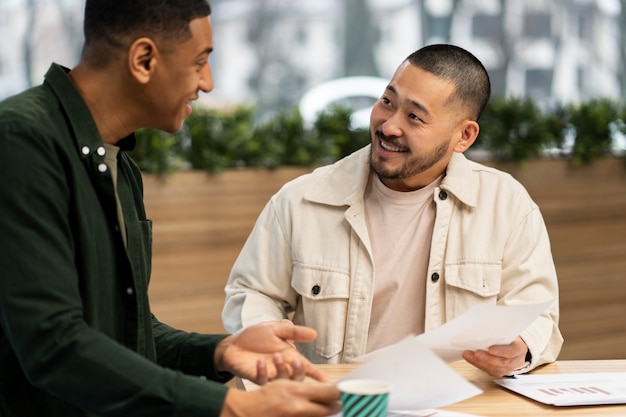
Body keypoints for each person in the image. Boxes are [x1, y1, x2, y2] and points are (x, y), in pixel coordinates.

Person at [0, 1, 341, 416]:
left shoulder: (120, 165)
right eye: (200, 62)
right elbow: (53, 345)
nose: (208, 83)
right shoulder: (20, 141)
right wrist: (234, 406)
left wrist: (219, 351)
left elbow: (128, 336)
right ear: (143, 59)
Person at [222, 44, 564, 378]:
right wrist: (265, 333)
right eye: (387, 102)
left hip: (456, 405)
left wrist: (520, 347)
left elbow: (539, 317)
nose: (388, 126)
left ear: (464, 136)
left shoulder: (507, 205)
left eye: (414, 117)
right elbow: (252, 293)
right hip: (340, 403)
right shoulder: (300, 201)